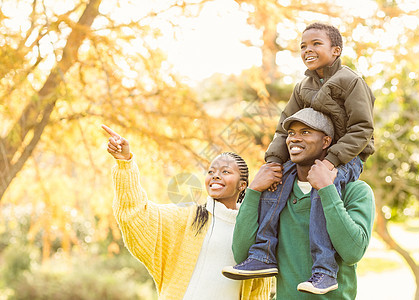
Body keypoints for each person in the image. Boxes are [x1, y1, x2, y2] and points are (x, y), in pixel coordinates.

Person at [222, 22, 375, 294]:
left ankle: (325, 271)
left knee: (323, 189)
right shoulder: (302, 86)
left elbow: (362, 129)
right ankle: (262, 254)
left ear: (336, 50)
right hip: (316, 154)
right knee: (277, 181)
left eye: (316, 44)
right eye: (303, 46)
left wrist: (331, 163)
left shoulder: (351, 81)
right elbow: (285, 129)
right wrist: (273, 162)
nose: (308, 49)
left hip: (347, 154)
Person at [102, 124, 271, 300]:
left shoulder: (254, 229)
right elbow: (136, 215)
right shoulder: (188, 216)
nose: (215, 175)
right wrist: (125, 163)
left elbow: (259, 292)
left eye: (225, 171)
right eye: (211, 171)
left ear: (242, 185)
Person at [223, 109, 375, 299]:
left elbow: (353, 252)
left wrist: (327, 189)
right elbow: (242, 254)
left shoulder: (356, 191)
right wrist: (253, 191)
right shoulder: (273, 193)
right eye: (291, 133)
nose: (294, 139)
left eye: (305, 132)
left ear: (326, 142)